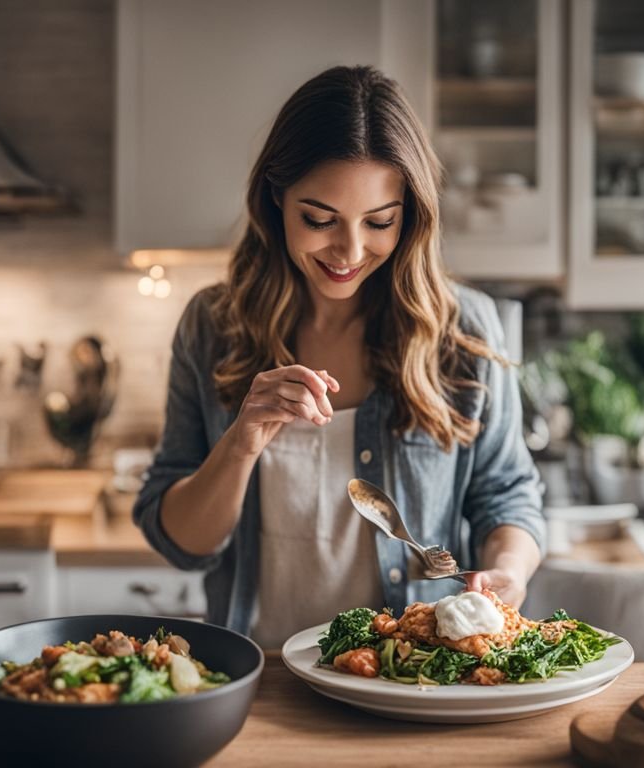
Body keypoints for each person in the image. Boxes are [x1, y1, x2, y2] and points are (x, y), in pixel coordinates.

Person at [134, 65, 544, 647]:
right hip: (259, 675)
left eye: (380, 222)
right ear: (277, 197)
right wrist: (241, 442)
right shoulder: (212, 327)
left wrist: (509, 568)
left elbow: (507, 495)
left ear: (411, 215)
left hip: (411, 680)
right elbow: (180, 542)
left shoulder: (461, 330)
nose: (349, 251)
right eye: (319, 219)